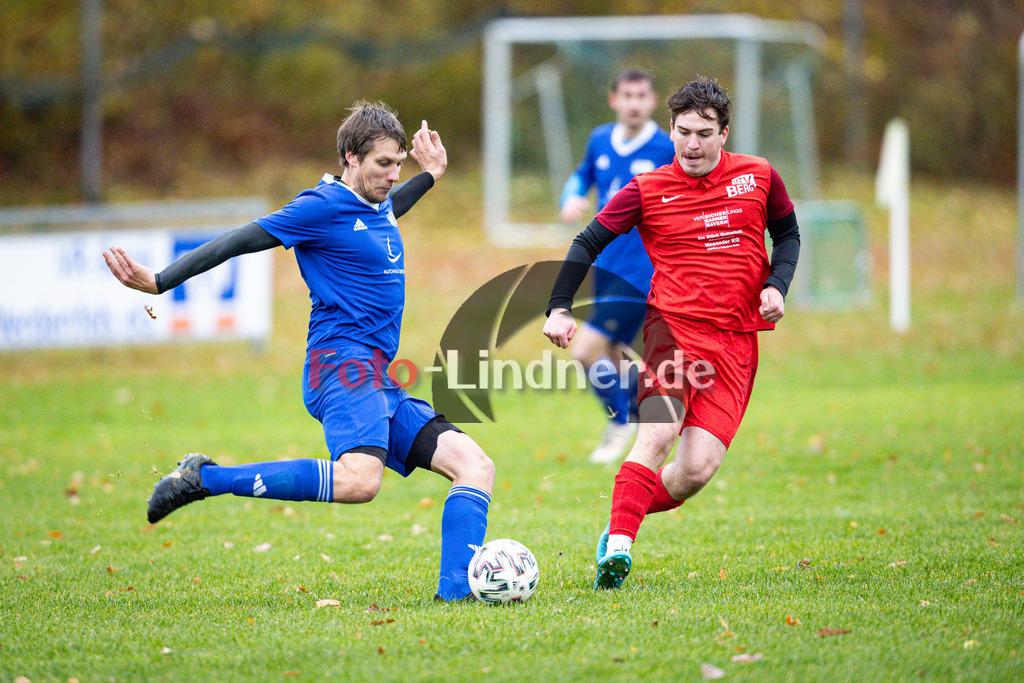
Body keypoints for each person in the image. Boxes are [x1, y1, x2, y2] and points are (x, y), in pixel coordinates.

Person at [103, 102, 495, 603]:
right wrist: (160, 281)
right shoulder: (321, 207)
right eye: (384, 165)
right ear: (350, 158)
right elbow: (238, 241)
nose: (395, 175)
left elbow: (391, 209)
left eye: (400, 164)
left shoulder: (375, 205)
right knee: (360, 481)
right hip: (341, 365)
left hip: (377, 375)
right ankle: (206, 478)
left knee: (474, 465)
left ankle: (458, 595)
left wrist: (432, 175)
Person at [542, 76, 800, 590]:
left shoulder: (759, 177)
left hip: (735, 342)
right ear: (671, 129)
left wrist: (777, 285)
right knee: (657, 432)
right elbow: (587, 239)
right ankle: (619, 548)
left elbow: (787, 233)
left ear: (724, 132)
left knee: (694, 473)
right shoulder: (648, 188)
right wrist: (559, 307)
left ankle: (623, 516)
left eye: (704, 133)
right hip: (672, 329)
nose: (692, 145)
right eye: (683, 132)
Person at [559, 69, 676, 465]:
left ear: (652, 100)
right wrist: (572, 197)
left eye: (641, 96)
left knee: (586, 351)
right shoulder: (599, 139)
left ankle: (625, 416)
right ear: (614, 100)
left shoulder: (667, 147)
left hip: (643, 271)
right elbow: (582, 175)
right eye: (627, 95)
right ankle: (648, 413)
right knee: (614, 355)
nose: (634, 103)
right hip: (604, 265)